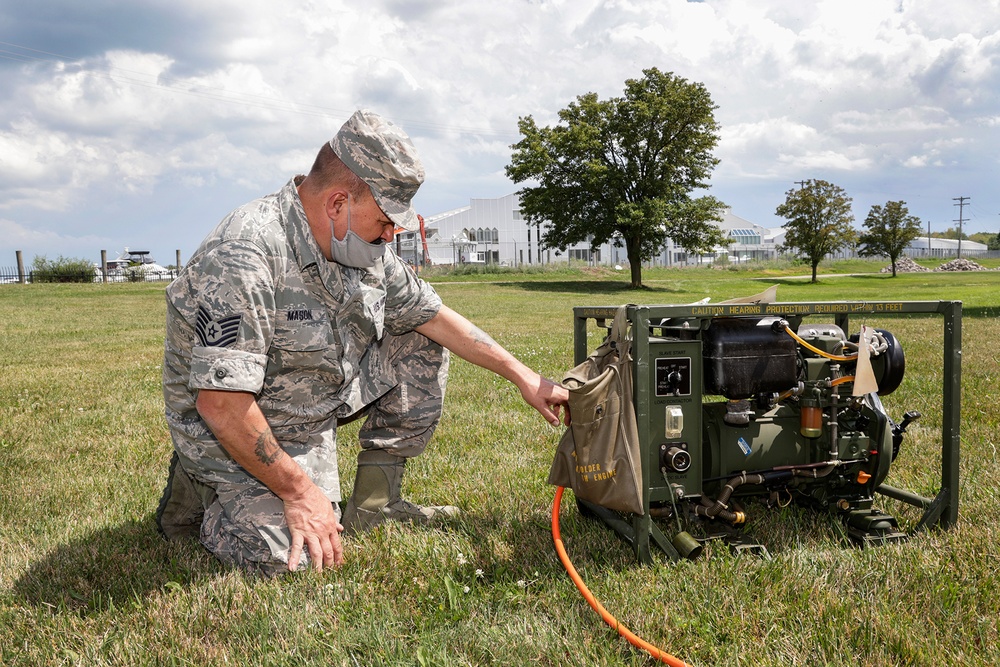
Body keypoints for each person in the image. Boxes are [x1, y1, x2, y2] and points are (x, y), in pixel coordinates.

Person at [155, 109, 569, 576]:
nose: (392, 234)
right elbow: (221, 405)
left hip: (312, 408)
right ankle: (205, 492)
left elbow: (435, 317)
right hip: (231, 424)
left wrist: (523, 375)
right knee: (301, 559)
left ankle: (376, 504)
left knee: (420, 337)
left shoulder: (363, 249)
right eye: (386, 220)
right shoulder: (243, 255)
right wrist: (299, 492)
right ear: (337, 203)